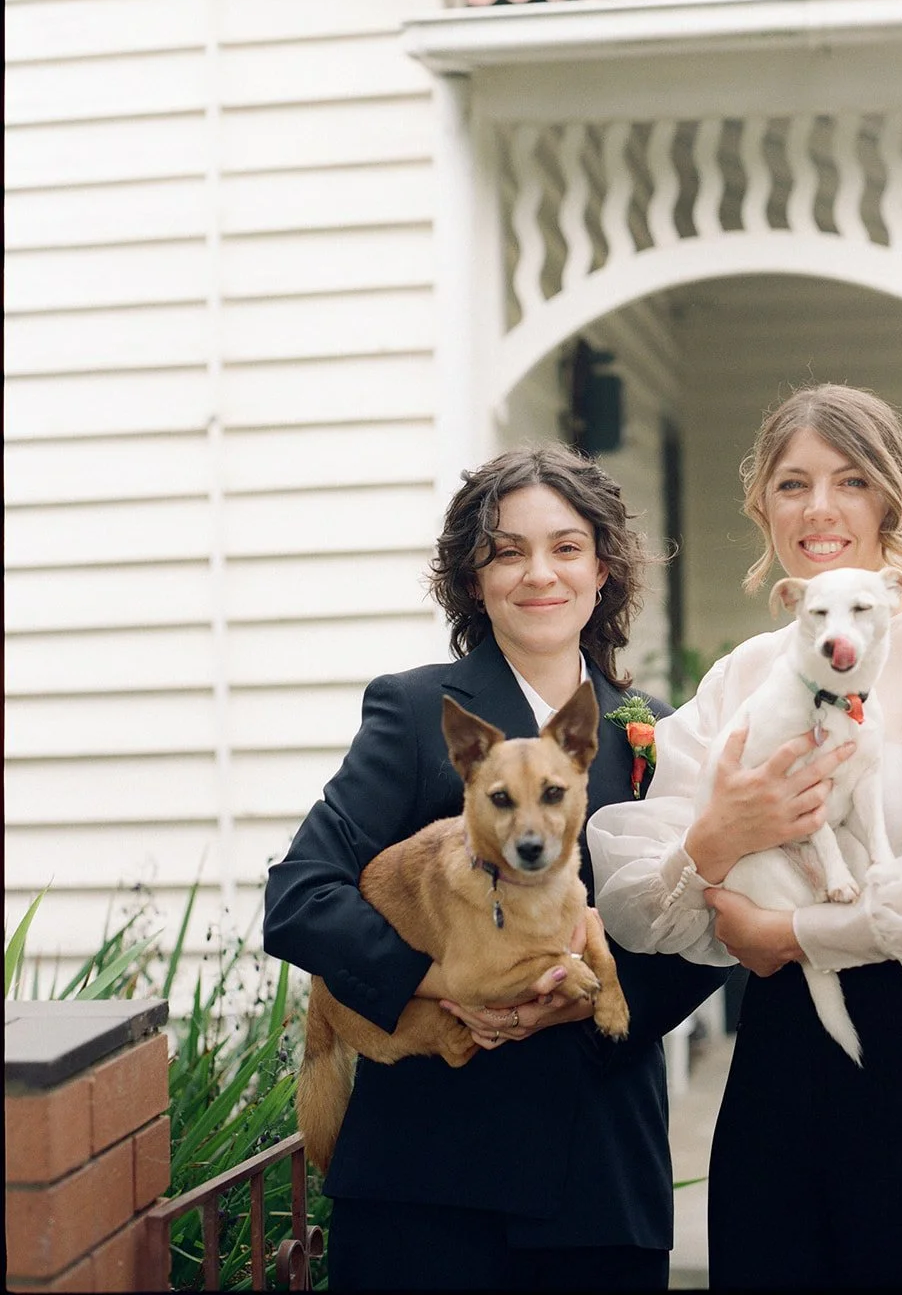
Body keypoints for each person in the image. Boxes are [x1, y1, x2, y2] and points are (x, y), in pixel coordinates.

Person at [587, 384, 902, 1290]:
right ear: (763, 509)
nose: (819, 508)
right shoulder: (743, 678)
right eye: (792, 484)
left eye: (849, 481)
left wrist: (785, 934)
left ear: (889, 501)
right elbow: (643, 889)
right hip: (784, 1054)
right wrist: (718, 840)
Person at [263, 444, 734, 1291]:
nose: (538, 574)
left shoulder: (656, 730)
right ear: (473, 580)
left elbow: (699, 931)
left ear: (601, 570)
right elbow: (300, 897)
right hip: (428, 1182)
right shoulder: (414, 712)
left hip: (599, 1180)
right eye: (506, 551)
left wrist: (576, 1010)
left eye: (565, 547)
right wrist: (433, 984)